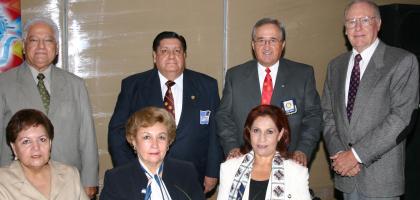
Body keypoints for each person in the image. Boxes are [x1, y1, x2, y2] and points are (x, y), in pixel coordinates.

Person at [322, 0, 419, 199]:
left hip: (380, 180)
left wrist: (355, 156)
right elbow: (327, 114)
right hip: (346, 177)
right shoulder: (335, 66)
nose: (357, 27)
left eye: (365, 20)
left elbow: (401, 118)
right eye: (351, 21)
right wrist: (340, 154)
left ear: (379, 24)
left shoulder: (402, 61)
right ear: (345, 28)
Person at [108, 31, 222, 193]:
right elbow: (117, 132)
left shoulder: (207, 86)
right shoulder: (133, 86)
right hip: (145, 175)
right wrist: (129, 170)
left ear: (184, 55)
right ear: (155, 56)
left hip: (193, 176)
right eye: (164, 51)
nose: (171, 56)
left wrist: (212, 172)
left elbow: (214, 133)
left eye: (177, 51)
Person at [0, 17, 98, 198]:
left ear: (57, 47)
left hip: (69, 183)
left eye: (48, 40)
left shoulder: (75, 84)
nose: (41, 46)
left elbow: (87, 135)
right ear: (23, 45)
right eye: (34, 40)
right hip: (17, 184)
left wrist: (89, 179)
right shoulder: (4, 83)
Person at [216, 17, 322, 166]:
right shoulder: (235, 76)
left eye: (273, 40)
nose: (266, 46)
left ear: (283, 44)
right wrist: (232, 147)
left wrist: (303, 149)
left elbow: (313, 116)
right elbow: (223, 116)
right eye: (260, 40)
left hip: (290, 161)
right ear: (253, 45)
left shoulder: (302, 74)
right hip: (244, 160)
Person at [101, 107, 205, 199]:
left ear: (169, 142)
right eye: (147, 137)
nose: (155, 145)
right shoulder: (116, 180)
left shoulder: (186, 172)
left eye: (161, 137)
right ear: (133, 141)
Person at [217, 105, 310, 199]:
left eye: (269, 132)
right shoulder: (229, 168)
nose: (262, 138)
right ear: (249, 132)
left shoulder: (297, 172)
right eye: (256, 130)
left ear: (280, 134)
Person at [0, 109, 89, 200]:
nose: (36, 147)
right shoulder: (2, 183)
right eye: (26, 141)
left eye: (42, 139)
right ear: (14, 148)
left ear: (50, 143)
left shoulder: (70, 174)